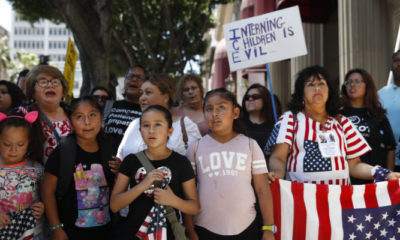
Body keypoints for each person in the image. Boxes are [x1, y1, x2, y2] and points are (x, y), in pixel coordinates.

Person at [266, 65, 400, 185]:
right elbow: (278, 157)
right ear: (301, 93)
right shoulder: (289, 119)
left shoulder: (343, 122)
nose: (317, 88)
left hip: (339, 202)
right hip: (302, 202)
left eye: (322, 83)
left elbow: (354, 166)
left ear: (329, 91)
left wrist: (382, 173)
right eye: (310, 84)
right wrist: (276, 175)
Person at [185, 88, 275, 240]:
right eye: (209, 109)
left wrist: (268, 228)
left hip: (247, 227)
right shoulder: (195, 147)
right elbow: (188, 193)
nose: (214, 114)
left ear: (235, 113)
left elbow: (262, 190)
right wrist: (190, 230)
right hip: (204, 228)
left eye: (221, 107)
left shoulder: (250, 145)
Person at [111, 105, 199, 239]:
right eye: (146, 126)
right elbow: (114, 205)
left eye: (158, 124)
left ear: (170, 131)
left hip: (169, 235)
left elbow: (194, 207)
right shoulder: (131, 161)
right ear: (140, 131)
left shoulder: (181, 162)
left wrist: (173, 200)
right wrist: (143, 185)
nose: (151, 130)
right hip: (133, 233)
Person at [42, 97, 120, 240]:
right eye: (79, 117)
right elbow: (47, 192)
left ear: (101, 117)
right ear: (70, 122)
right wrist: (56, 228)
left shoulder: (112, 148)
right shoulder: (63, 152)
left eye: (92, 115)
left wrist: (120, 171)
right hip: (71, 232)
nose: (87, 122)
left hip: (106, 231)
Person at [117, 74, 201, 159]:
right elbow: (120, 155)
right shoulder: (134, 124)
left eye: (148, 92)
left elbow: (197, 161)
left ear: (166, 97)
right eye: (141, 93)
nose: (142, 98)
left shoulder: (186, 126)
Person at [341, 68, 396, 184]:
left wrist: (389, 175)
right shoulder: (337, 115)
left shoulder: (378, 115)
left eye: (357, 81)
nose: (352, 85)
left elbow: (390, 147)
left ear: (367, 85)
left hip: (374, 178)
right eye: (348, 82)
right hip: (346, 179)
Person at [0, 110, 45, 239]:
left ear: (28, 142)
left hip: (33, 232)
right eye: (7, 144)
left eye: (20, 144)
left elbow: (45, 196)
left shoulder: (36, 168)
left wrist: (42, 207)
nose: (13, 150)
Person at [25, 65, 72, 163]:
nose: (50, 85)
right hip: (37, 175)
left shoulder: (75, 112)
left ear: (63, 90)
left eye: (55, 81)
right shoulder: (24, 115)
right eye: (43, 82)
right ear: (32, 91)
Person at [104, 65, 146, 153]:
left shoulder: (149, 112)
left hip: (132, 164)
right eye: (130, 76)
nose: (134, 80)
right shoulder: (109, 106)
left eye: (139, 78)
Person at [241, 83, 281, 166]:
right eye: (247, 98)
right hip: (244, 171)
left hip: (268, 172)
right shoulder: (238, 125)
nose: (250, 99)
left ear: (265, 100)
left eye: (255, 97)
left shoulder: (275, 126)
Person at [378, 50, 400, 172]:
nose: (399, 64)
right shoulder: (380, 95)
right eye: (396, 61)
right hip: (387, 161)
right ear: (391, 66)